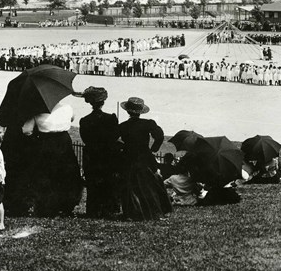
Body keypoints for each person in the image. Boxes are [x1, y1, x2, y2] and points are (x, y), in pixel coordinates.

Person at [22, 100, 84, 216]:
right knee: (66, 175)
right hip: (64, 141)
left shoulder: (37, 110)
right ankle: (66, 206)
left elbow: (27, 130)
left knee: (46, 175)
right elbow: (71, 119)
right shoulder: (67, 107)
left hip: (46, 142)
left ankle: (47, 207)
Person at [118, 97, 172, 220]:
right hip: (144, 156)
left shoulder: (123, 126)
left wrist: (124, 146)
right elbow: (159, 136)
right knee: (149, 184)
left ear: (127, 111)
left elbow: (114, 140)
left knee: (130, 185)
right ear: (141, 111)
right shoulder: (148, 123)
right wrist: (153, 149)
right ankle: (154, 212)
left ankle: (132, 213)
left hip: (128, 156)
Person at [79, 86, 121, 218]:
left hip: (92, 155)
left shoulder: (85, 120)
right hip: (108, 154)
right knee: (108, 181)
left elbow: (85, 138)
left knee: (93, 182)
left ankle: (93, 210)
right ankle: (108, 209)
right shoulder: (111, 118)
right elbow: (115, 136)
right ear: (102, 102)